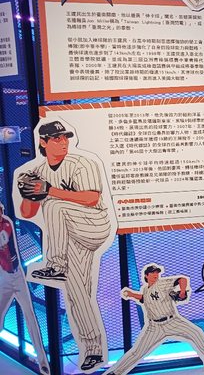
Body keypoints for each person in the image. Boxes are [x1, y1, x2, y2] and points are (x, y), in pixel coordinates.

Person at [17, 120, 115, 372]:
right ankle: (93, 349)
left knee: (54, 204)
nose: (63, 142)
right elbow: (27, 213)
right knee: (77, 291)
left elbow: (92, 198)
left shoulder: (82, 164)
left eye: (65, 137)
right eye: (57, 138)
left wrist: (50, 191)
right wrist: (28, 193)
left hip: (94, 225)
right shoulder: (38, 171)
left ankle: (56, 264)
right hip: (69, 235)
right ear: (43, 142)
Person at [106, 264, 204, 374]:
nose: (155, 274)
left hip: (172, 322)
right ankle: (116, 372)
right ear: (146, 275)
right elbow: (144, 298)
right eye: (152, 272)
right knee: (138, 352)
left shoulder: (162, 284)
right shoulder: (146, 290)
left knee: (196, 333)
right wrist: (132, 294)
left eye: (157, 272)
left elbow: (182, 279)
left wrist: (182, 292)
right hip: (154, 327)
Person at [0, 206, 50, 375]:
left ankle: (42, 362)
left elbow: (8, 243)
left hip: (17, 274)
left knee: (30, 317)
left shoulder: (7, 223)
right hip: (4, 277)